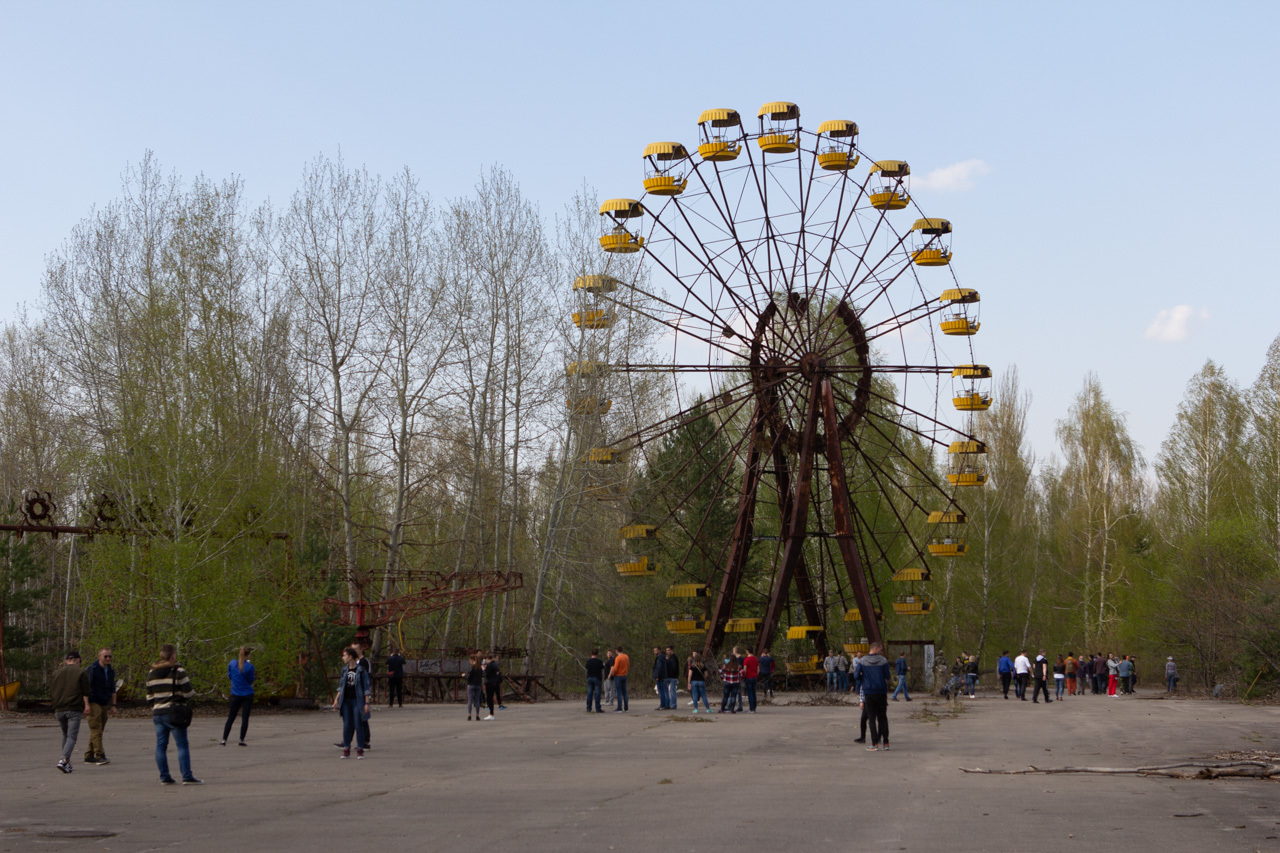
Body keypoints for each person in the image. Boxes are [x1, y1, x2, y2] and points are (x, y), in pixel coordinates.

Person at [146, 643, 201, 783]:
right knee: (182, 744)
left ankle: (165, 777)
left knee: (161, 745)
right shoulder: (178, 671)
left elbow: (149, 697)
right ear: (172, 656)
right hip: (174, 712)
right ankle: (186, 776)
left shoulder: (151, 673)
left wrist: (156, 706)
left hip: (158, 712)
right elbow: (188, 693)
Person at [51, 650, 90, 774]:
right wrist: (87, 705)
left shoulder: (56, 673)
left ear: (66, 661)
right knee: (72, 736)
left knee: (65, 735)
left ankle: (66, 762)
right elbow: (86, 691)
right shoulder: (81, 672)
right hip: (73, 708)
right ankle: (63, 759)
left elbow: (51, 691)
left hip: (59, 709)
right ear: (78, 660)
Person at [331, 646, 370, 757]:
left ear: (350, 656)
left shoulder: (361, 670)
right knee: (347, 725)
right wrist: (336, 699)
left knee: (358, 724)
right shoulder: (344, 670)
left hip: (357, 700)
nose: (343, 658)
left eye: (344, 655)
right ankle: (346, 748)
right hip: (346, 701)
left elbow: (366, 687)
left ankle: (360, 749)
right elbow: (341, 686)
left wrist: (366, 703)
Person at [83, 647, 116, 765]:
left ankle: (89, 755)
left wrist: (113, 705)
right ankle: (100, 755)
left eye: (109, 656)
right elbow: (85, 689)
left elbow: (113, 689)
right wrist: (86, 704)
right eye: (105, 656)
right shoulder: (92, 670)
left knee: (98, 730)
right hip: (93, 701)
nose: (108, 658)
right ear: (99, 657)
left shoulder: (111, 671)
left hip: (104, 702)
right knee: (96, 728)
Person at [857, 642, 891, 751]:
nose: (881, 652)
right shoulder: (883, 661)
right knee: (882, 718)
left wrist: (864, 678)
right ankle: (886, 743)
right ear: (875, 648)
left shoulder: (862, 661)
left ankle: (874, 744)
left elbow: (856, 675)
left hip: (869, 692)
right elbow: (887, 675)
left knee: (871, 719)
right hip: (881, 691)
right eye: (880, 649)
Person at [221, 646, 255, 746]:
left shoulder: (232, 663)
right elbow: (251, 680)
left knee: (231, 716)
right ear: (248, 655)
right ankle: (241, 739)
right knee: (245, 717)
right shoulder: (250, 667)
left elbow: (230, 675)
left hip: (235, 693)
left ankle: (224, 739)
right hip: (247, 694)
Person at [610, 646, 630, 712]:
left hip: (618, 675)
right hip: (624, 675)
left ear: (616, 650)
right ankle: (626, 707)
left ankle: (619, 707)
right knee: (625, 692)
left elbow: (615, 668)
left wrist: (613, 673)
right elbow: (628, 665)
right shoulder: (626, 656)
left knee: (619, 692)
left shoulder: (618, 658)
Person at [483, 651, 502, 719]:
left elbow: (487, 674)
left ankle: (491, 713)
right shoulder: (495, 664)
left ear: (487, 658)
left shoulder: (490, 665)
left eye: (485, 659)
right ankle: (492, 713)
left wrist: (484, 670)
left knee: (489, 698)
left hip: (490, 683)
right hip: (495, 682)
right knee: (493, 696)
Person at [465, 654, 484, 720]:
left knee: (470, 700)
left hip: (471, 685)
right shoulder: (480, 668)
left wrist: (465, 676)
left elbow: (469, 677)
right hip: (478, 685)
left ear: (471, 660)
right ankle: (477, 715)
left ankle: (469, 715)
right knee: (477, 700)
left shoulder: (472, 668)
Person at [662, 646, 680, 712]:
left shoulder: (674, 658)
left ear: (672, 650)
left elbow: (674, 668)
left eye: (668, 650)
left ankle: (673, 705)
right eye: (666, 650)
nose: (667, 652)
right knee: (667, 691)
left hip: (673, 677)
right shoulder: (670, 658)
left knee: (672, 692)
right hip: (668, 676)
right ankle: (668, 704)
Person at [741, 647, 759, 712]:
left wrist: (743, 676)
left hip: (748, 677)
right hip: (754, 677)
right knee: (754, 692)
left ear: (747, 651)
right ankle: (754, 707)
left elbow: (744, 669)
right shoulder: (755, 659)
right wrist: (756, 674)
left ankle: (751, 708)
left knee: (750, 693)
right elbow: (758, 668)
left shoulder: (746, 659)